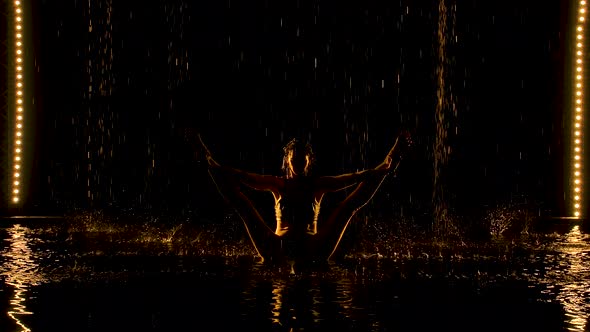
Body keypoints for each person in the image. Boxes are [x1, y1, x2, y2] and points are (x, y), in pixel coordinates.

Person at [196, 131, 412, 268]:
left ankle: (391, 159)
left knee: (349, 206)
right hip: (276, 246)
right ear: (288, 160)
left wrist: (381, 170)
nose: (298, 160)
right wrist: (216, 167)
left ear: (308, 160)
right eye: (294, 157)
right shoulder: (278, 184)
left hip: (315, 247)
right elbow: (244, 178)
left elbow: (352, 178)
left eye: (302, 157)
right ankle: (205, 158)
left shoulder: (317, 184)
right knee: (242, 204)